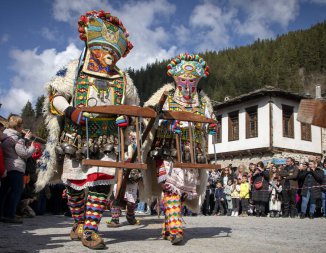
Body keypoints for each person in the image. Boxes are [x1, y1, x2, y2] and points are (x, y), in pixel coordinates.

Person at [35, 10, 139, 249]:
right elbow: (55, 96)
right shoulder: (74, 70)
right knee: (75, 185)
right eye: (106, 50)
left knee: (102, 182)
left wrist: (127, 118)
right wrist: (70, 111)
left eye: (114, 52)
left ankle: (91, 229)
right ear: (93, 47)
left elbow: (133, 107)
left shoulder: (124, 79)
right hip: (76, 135)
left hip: (108, 138)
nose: (109, 56)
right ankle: (79, 221)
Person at [141, 53, 213, 245]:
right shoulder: (166, 94)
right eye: (184, 80)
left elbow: (208, 121)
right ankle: (175, 228)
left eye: (193, 80)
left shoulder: (203, 101)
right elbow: (148, 113)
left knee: (182, 190)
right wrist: (162, 121)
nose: (188, 84)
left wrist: (210, 125)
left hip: (192, 152)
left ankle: (168, 226)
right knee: (171, 187)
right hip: (166, 148)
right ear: (176, 78)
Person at [0, 115, 35, 223]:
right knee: (16, 191)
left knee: (4, 191)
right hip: (16, 167)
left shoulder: (5, 136)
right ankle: (10, 215)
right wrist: (31, 146)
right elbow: (23, 153)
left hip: (7, 167)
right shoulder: (15, 138)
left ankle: (3, 213)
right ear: (18, 127)